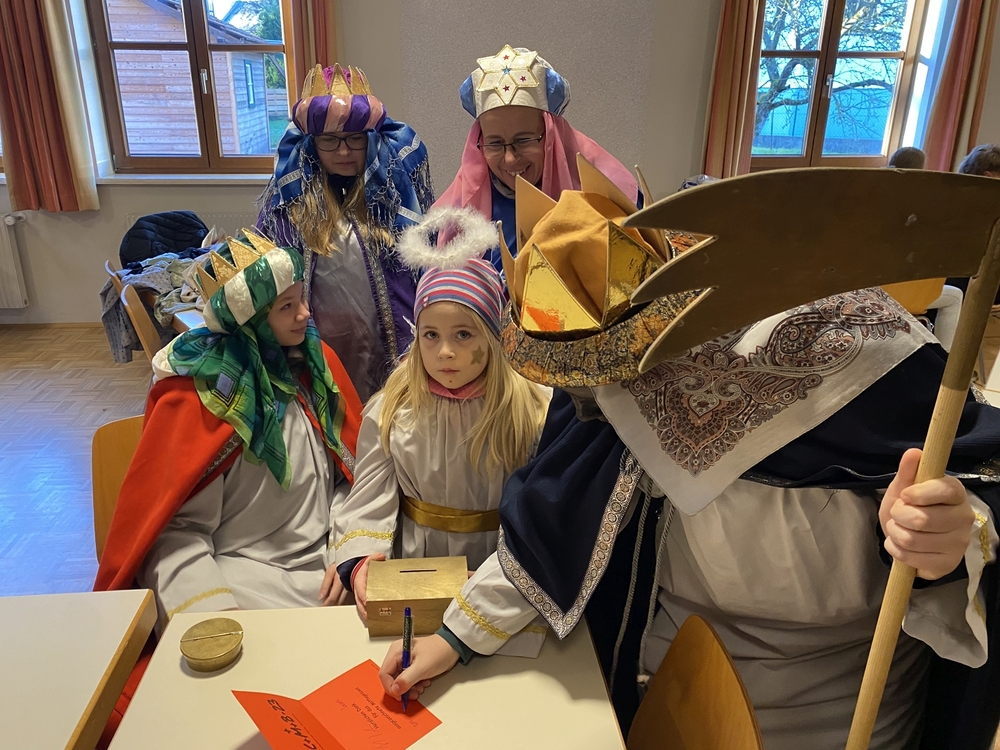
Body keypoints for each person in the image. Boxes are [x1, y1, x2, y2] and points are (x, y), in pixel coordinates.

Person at [377, 169, 1000, 749]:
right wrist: (456, 635)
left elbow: (970, 492)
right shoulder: (623, 388)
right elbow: (555, 518)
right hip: (668, 689)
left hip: (834, 708)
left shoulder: (880, 373)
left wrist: (949, 540)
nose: (595, 401)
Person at [95, 229, 363, 628]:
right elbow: (173, 534)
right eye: (287, 307)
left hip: (327, 564)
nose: (305, 314)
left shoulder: (315, 365)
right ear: (251, 318)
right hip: (244, 576)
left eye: (302, 299)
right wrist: (215, 613)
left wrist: (349, 554)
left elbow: (351, 479)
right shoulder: (204, 396)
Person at [322, 207, 551, 653]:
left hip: (497, 569)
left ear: (493, 336)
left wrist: (503, 579)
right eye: (431, 335)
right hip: (416, 571)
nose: (445, 352)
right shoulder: (393, 411)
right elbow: (367, 500)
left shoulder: (532, 412)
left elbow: (540, 518)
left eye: (464, 335)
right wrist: (360, 562)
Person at [257, 64, 434, 402]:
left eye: (355, 138)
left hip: (393, 351)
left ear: (373, 139)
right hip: (318, 349)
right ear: (311, 143)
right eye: (329, 140)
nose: (343, 151)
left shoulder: (395, 199)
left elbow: (425, 271)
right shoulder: (289, 205)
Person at [434, 45, 639, 274]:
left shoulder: (606, 198)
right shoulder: (455, 217)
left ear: (550, 136)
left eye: (523, 140)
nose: (510, 159)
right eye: (495, 143)